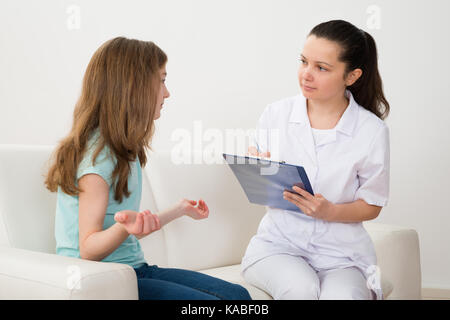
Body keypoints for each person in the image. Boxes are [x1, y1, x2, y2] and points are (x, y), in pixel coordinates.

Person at [45, 37, 251, 300]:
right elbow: (88, 249)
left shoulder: (125, 150)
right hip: (103, 281)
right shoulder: (96, 161)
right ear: (134, 88)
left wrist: (179, 209)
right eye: (162, 80)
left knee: (237, 295)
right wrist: (125, 229)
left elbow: (130, 227)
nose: (167, 93)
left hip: (133, 271)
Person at [241, 20, 390, 300]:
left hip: (341, 255)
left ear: (352, 76)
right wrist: (259, 171)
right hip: (279, 246)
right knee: (301, 289)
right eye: (303, 62)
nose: (306, 75)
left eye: (321, 68)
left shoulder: (371, 131)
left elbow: (372, 204)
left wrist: (330, 212)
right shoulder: (276, 115)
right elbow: (261, 188)